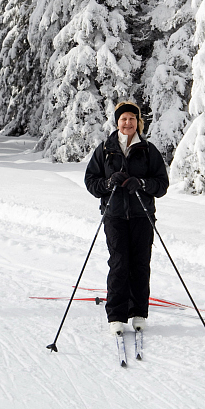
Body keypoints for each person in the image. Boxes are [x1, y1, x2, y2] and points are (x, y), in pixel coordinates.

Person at [83, 100, 169, 348]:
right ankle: (117, 316)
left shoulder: (148, 150)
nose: (128, 123)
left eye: (132, 118)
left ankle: (139, 313)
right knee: (119, 264)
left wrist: (141, 184)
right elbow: (91, 181)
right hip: (115, 216)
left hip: (142, 216)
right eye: (123, 119)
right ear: (117, 122)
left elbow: (161, 185)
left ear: (138, 122)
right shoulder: (105, 150)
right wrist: (109, 183)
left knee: (140, 264)